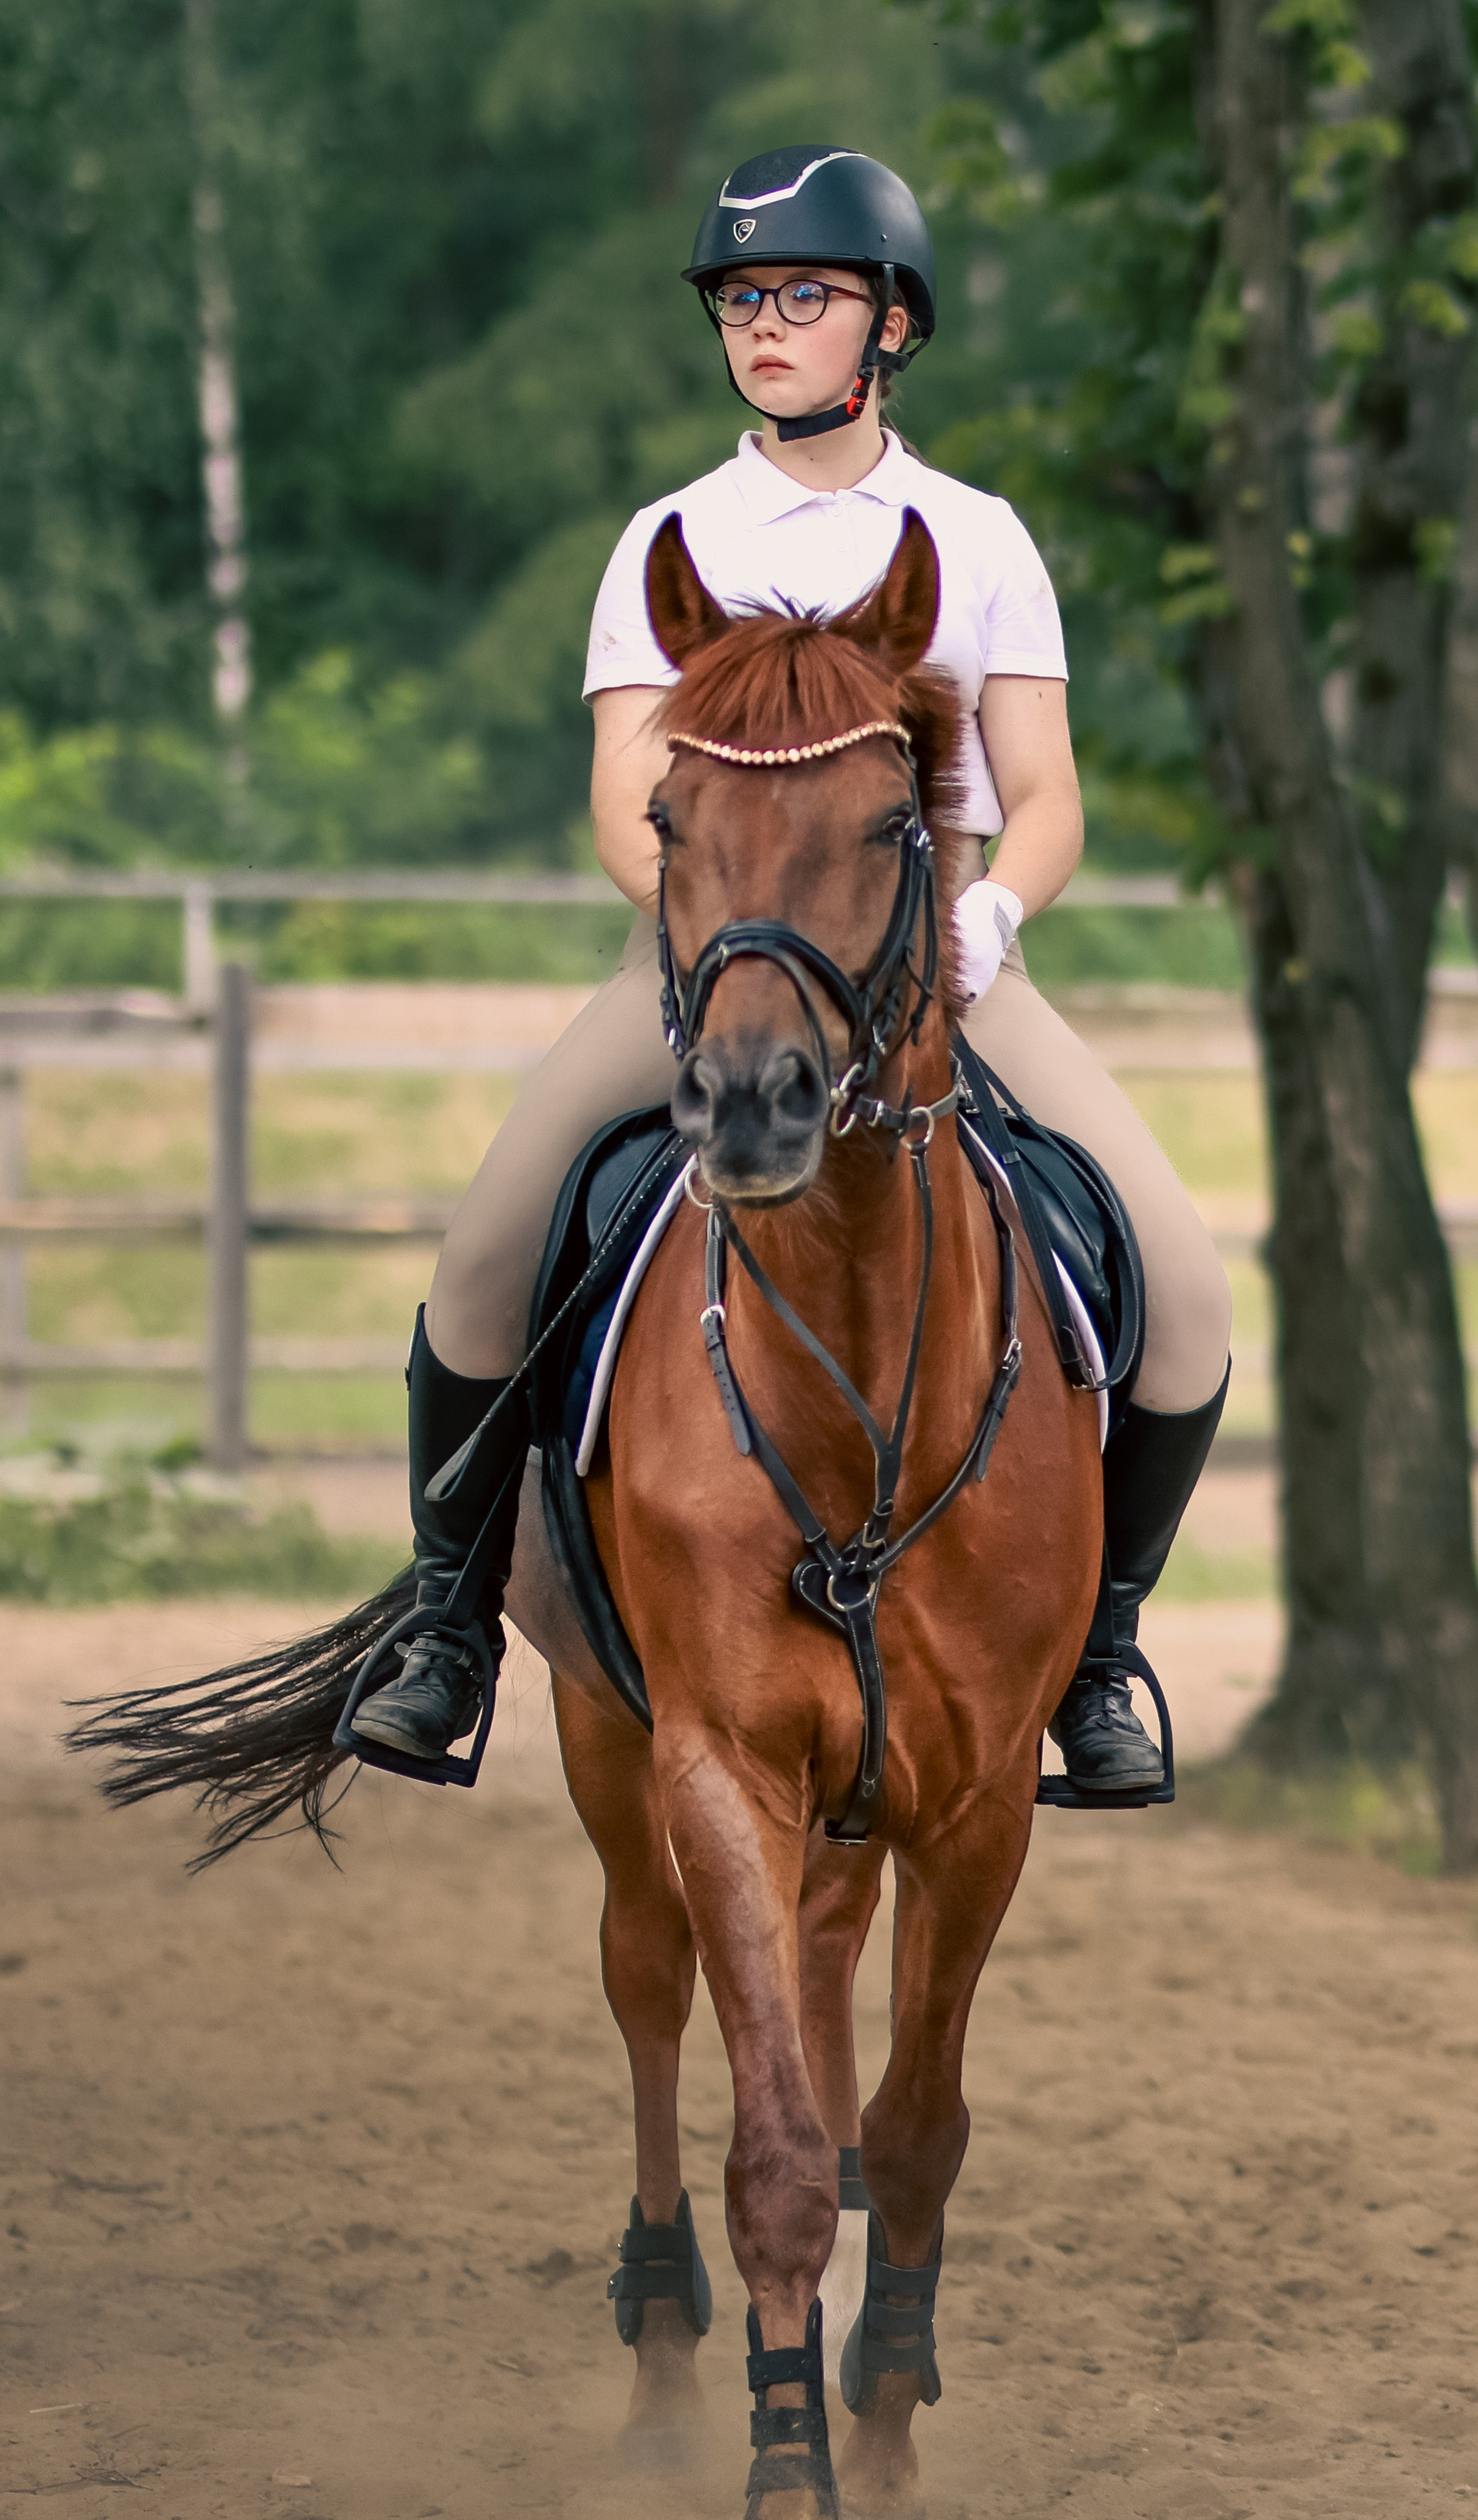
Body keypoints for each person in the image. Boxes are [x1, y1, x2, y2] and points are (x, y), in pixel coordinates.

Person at [351, 142, 1232, 1794]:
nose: (763, 325)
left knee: (1181, 1301)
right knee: (480, 1265)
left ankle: (1096, 1656)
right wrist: (710, 945)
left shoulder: (972, 539)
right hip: (698, 968)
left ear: (885, 325)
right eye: (740, 298)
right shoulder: (668, 541)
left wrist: (987, 922)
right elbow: (628, 801)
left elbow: (1042, 796)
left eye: (800, 296)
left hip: (945, 969)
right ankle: (443, 1632)